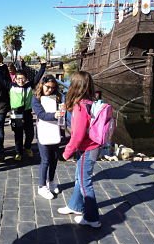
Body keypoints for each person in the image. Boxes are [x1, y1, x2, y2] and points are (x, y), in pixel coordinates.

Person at [58, 71, 102, 228]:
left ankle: (92, 218)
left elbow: (77, 136)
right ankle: (75, 206)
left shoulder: (80, 107)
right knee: (80, 177)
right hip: (92, 146)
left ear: (74, 86)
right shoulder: (90, 102)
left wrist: (65, 153)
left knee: (85, 183)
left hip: (87, 148)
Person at [0, 59, 46, 161]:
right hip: (16, 114)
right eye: (18, 78)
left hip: (27, 113)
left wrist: (43, 65)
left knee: (30, 133)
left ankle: (27, 147)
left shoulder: (29, 86)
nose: (21, 80)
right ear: (15, 79)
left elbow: (38, 77)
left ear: (26, 79)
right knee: (18, 135)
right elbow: (1, 79)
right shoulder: (11, 86)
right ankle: (18, 152)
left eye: (23, 78)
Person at [32, 74, 64, 199]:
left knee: (54, 158)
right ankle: (41, 186)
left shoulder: (57, 97)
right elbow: (41, 114)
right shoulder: (36, 98)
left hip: (55, 131)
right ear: (42, 84)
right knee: (45, 159)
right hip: (43, 132)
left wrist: (63, 109)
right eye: (47, 87)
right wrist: (55, 115)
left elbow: (62, 111)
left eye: (52, 87)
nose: (50, 89)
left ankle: (51, 181)